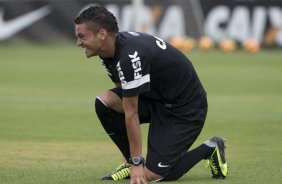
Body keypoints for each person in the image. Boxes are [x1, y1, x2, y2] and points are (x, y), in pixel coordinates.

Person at [74, 5, 228, 183]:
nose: (78, 43)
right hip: (158, 99)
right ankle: (130, 163)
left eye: (82, 37)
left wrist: (137, 162)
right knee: (105, 101)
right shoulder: (108, 51)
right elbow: (124, 94)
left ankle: (209, 148)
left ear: (102, 34)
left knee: (151, 177)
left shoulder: (128, 57)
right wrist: (132, 159)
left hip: (185, 109)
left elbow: (131, 113)